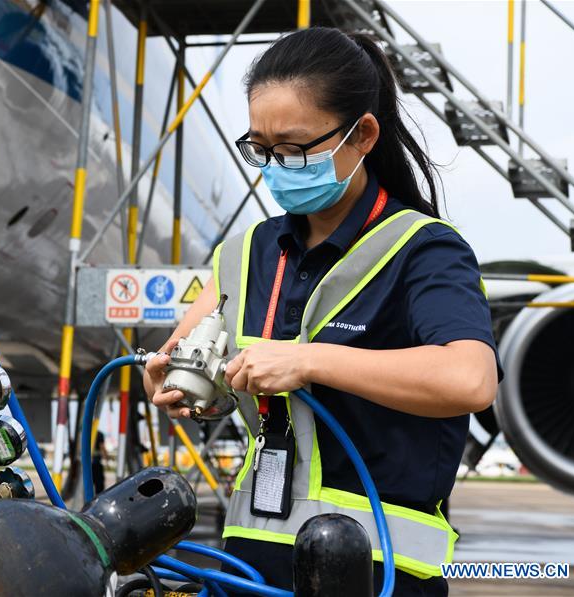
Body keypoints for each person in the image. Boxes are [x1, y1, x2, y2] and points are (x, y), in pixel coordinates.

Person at [144, 27, 501, 596]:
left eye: (295, 147)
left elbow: (470, 379)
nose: (275, 164)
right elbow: (183, 358)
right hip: (252, 567)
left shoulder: (424, 249)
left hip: (378, 570)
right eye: (260, 147)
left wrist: (312, 361)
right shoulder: (244, 255)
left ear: (361, 135)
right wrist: (182, 386)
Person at [92, 429, 108, 494]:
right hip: (96, 463)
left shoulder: (85, 432)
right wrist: (106, 459)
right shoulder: (99, 434)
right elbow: (102, 447)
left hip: (88, 464)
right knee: (99, 485)